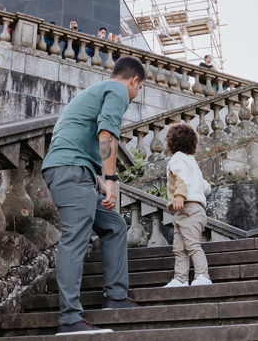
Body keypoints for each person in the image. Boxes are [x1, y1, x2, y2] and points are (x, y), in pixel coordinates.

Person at [42, 56, 145, 334]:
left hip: (75, 170)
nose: (135, 96)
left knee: (114, 225)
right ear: (134, 80)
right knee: (76, 235)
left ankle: (116, 297)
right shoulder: (117, 90)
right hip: (70, 171)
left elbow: (74, 137)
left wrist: (97, 179)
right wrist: (111, 180)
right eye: (138, 89)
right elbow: (106, 135)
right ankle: (70, 319)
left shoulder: (94, 92)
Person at [163, 123, 213, 288]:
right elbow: (205, 186)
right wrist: (203, 190)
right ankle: (180, 278)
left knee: (190, 245)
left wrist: (179, 195)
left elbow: (181, 177)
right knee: (180, 247)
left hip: (187, 208)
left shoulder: (177, 158)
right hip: (191, 210)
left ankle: (202, 275)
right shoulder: (192, 161)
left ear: (171, 143)